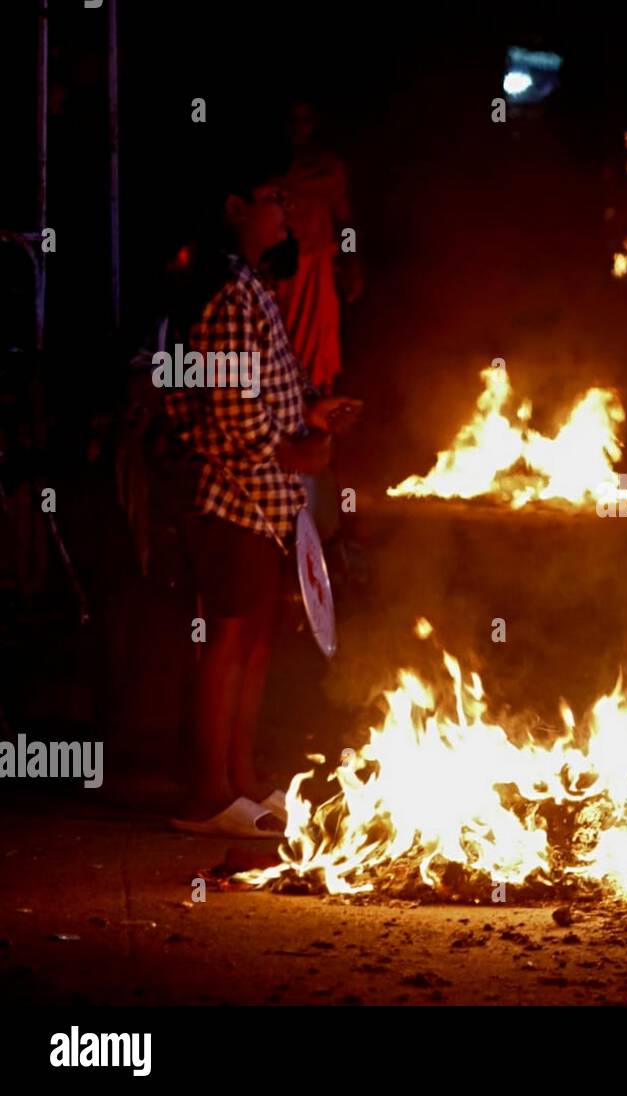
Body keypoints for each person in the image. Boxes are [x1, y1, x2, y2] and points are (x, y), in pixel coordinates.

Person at [165, 142, 360, 837]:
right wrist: (294, 446)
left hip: (269, 503)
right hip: (233, 499)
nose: (286, 210)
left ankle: (239, 779)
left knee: (254, 643)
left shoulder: (251, 287)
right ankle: (205, 796)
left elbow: (268, 394)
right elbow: (233, 411)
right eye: (274, 199)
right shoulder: (224, 295)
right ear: (236, 210)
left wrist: (308, 415)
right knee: (226, 641)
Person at [273, 101, 362, 395]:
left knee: (318, 362)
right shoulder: (269, 169)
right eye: (292, 119)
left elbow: (345, 221)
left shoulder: (328, 169)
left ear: (314, 124)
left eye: (304, 119)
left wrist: (351, 262)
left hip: (316, 278)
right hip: (278, 278)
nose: (298, 127)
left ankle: (317, 417)